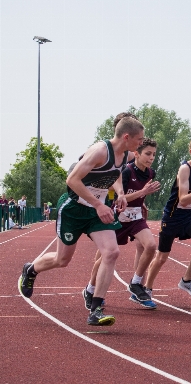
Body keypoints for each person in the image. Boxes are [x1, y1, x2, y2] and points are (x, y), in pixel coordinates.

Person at [18, 116, 144, 325]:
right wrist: (98, 204)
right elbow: (72, 180)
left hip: (96, 212)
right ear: (126, 136)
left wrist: (120, 192)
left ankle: (96, 309)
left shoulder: (127, 154)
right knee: (62, 260)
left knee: (111, 252)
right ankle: (30, 270)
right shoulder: (99, 151)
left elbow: (115, 174)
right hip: (74, 208)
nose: (141, 143)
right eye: (139, 139)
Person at [83, 138, 161, 310]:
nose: (151, 158)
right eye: (148, 154)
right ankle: (90, 290)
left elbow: (140, 194)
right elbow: (121, 198)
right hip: (118, 218)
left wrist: (143, 202)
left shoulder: (150, 173)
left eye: (154, 155)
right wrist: (143, 192)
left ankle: (136, 283)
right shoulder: (126, 172)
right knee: (104, 257)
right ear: (137, 154)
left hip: (136, 218)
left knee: (151, 245)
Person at [144, 135, 191, 299]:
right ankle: (147, 289)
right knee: (162, 256)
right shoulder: (184, 169)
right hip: (173, 216)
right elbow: (184, 200)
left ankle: (187, 280)